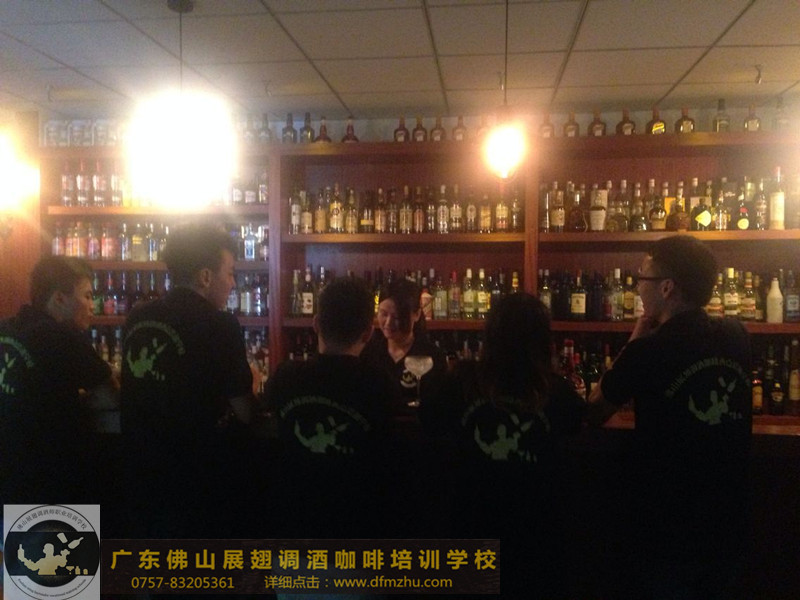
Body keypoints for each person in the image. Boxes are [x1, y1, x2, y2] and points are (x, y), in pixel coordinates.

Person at [588, 235, 752, 599]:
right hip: (728, 521)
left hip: (670, 528)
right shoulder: (736, 335)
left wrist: (635, 338)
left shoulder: (649, 350)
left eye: (642, 278)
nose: (637, 287)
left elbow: (595, 410)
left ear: (666, 287)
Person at [436, 293, 584, 599]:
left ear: (489, 335)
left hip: (471, 523)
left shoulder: (461, 381)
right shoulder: (554, 389)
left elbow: (428, 419)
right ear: (543, 340)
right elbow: (582, 420)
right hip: (537, 532)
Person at [120, 223, 256, 538]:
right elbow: (245, 411)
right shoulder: (220, 324)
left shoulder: (138, 317)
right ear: (205, 277)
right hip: (197, 486)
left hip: (141, 477)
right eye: (230, 273)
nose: (232, 283)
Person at [265, 276, 394, 541]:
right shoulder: (379, 385)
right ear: (368, 333)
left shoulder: (286, 377)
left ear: (316, 325)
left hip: (292, 531)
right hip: (356, 532)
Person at [0, 256, 115, 506]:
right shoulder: (62, 335)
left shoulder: (6, 328)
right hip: (52, 481)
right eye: (87, 296)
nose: (92, 306)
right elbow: (111, 397)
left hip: (10, 478)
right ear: (59, 299)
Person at [361, 277, 447, 424]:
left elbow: (439, 410)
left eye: (397, 317)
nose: (388, 323)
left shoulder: (431, 356)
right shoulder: (369, 352)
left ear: (417, 314)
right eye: (383, 314)